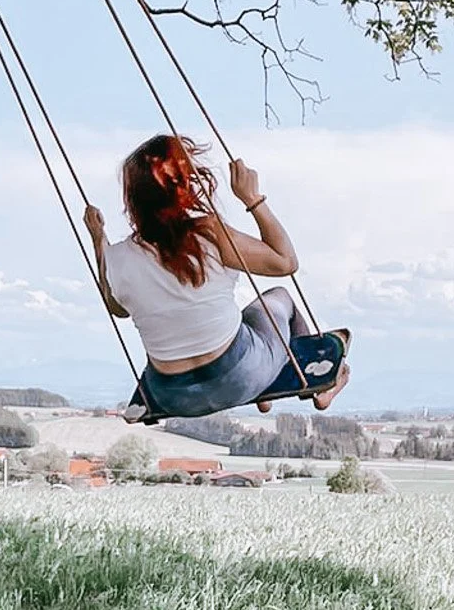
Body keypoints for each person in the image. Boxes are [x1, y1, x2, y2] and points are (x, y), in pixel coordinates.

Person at [84, 133, 349, 420]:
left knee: (243, 323)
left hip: (170, 395)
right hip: (239, 375)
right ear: (182, 184)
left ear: (133, 198)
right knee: (279, 298)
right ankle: (316, 382)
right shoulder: (206, 233)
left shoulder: (118, 257)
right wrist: (252, 198)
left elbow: (116, 308)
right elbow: (285, 262)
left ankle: (268, 384)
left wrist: (100, 241)